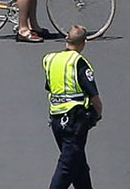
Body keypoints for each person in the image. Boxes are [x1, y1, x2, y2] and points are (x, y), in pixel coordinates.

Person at [44, 23, 102, 186]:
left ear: (66, 39)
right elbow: (94, 97)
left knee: (78, 165)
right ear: (84, 43)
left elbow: (49, 87)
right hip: (74, 122)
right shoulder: (79, 62)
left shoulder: (51, 60)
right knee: (67, 166)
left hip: (56, 120)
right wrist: (97, 115)